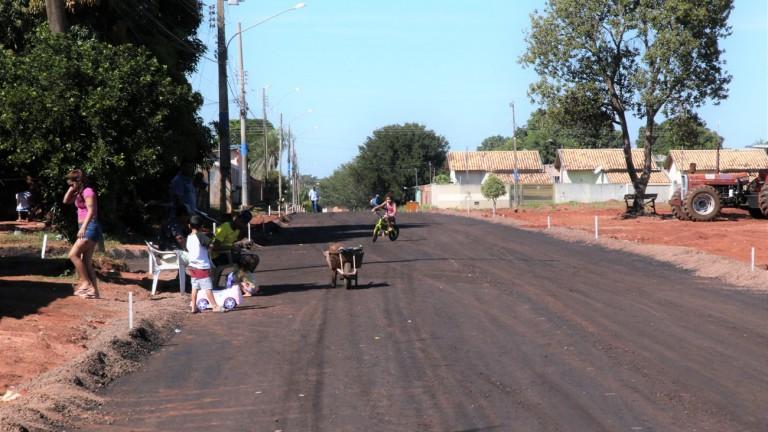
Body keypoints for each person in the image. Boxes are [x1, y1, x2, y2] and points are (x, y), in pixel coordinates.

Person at [62, 169, 102, 299]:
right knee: (86, 261)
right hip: (85, 226)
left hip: (90, 226)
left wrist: (83, 228)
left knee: (73, 254)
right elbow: (65, 201)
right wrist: (71, 189)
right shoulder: (79, 193)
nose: (70, 185)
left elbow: (91, 211)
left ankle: (85, 282)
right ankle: (94, 291)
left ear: (78, 182)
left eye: (71, 183)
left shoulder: (88, 192)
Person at [186, 215, 223, 313]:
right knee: (208, 288)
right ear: (202, 226)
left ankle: (193, 306)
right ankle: (215, 306)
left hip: (192, 267)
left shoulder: (189, 237)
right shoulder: (201, 236)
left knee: (194, 288)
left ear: (189, 226)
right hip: (202, 267)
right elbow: (211, 246)